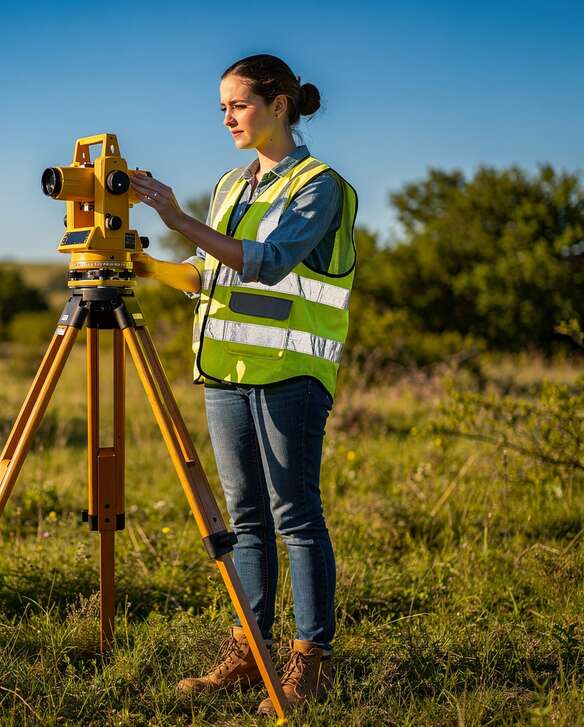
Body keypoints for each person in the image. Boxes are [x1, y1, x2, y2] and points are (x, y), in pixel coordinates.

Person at [128, 53, 357, 715]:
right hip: (225, 375)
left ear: (279, 103)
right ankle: (250, 650)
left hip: (291, 373)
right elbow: (206, 274)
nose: (227, 117)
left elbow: (269, 261)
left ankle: (310, 663)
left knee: (296, 517)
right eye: (222, 107)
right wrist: (144, 262)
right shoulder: (231, 185)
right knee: (246, 520)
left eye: (239, 104)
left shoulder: (320, 186)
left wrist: (177, 218)